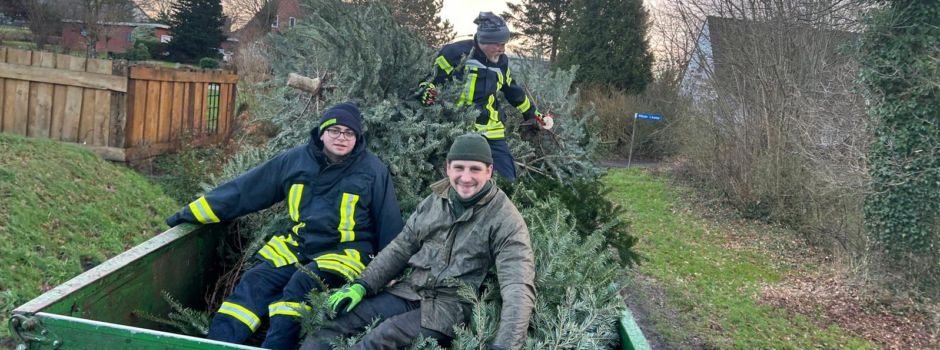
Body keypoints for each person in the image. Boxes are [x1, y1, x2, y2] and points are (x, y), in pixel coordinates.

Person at [165, 102, 404, 350]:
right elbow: (246, 190)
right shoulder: (295, 161)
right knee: (254, 281)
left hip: (346, 252)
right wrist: (189, 213)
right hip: (298, 245)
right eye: (335, 130)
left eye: (349, 133)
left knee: (300, 285)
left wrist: (390, 273)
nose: (341, 138)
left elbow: (389, 221)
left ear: (357, 138)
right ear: (322, 132)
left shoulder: (372, 169)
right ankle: (216, 345)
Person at [300, 133, 536, 350]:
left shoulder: (506, 220)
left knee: (381, 338)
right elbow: (401, 247)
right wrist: (363, 284)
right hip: (410, 291)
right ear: (448, 168)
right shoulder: (434, 201)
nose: (466, 177)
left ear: (489, 171)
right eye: (459, 168)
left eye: (475, 169)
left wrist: (504, 346)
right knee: (337, 322)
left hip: (449, 309)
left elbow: (517, 286)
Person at [418, 12, 555, 181]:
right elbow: (430, 80)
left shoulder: (502, 62)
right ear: (485, 40)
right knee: (463, 182)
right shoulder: (454, 53)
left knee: (508, 180)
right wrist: (426, 92)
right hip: (457, 129)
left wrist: (534, 114)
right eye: (499, 44)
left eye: (504, 44)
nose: (502, 50)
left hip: (492, 132)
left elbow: (513, 92)